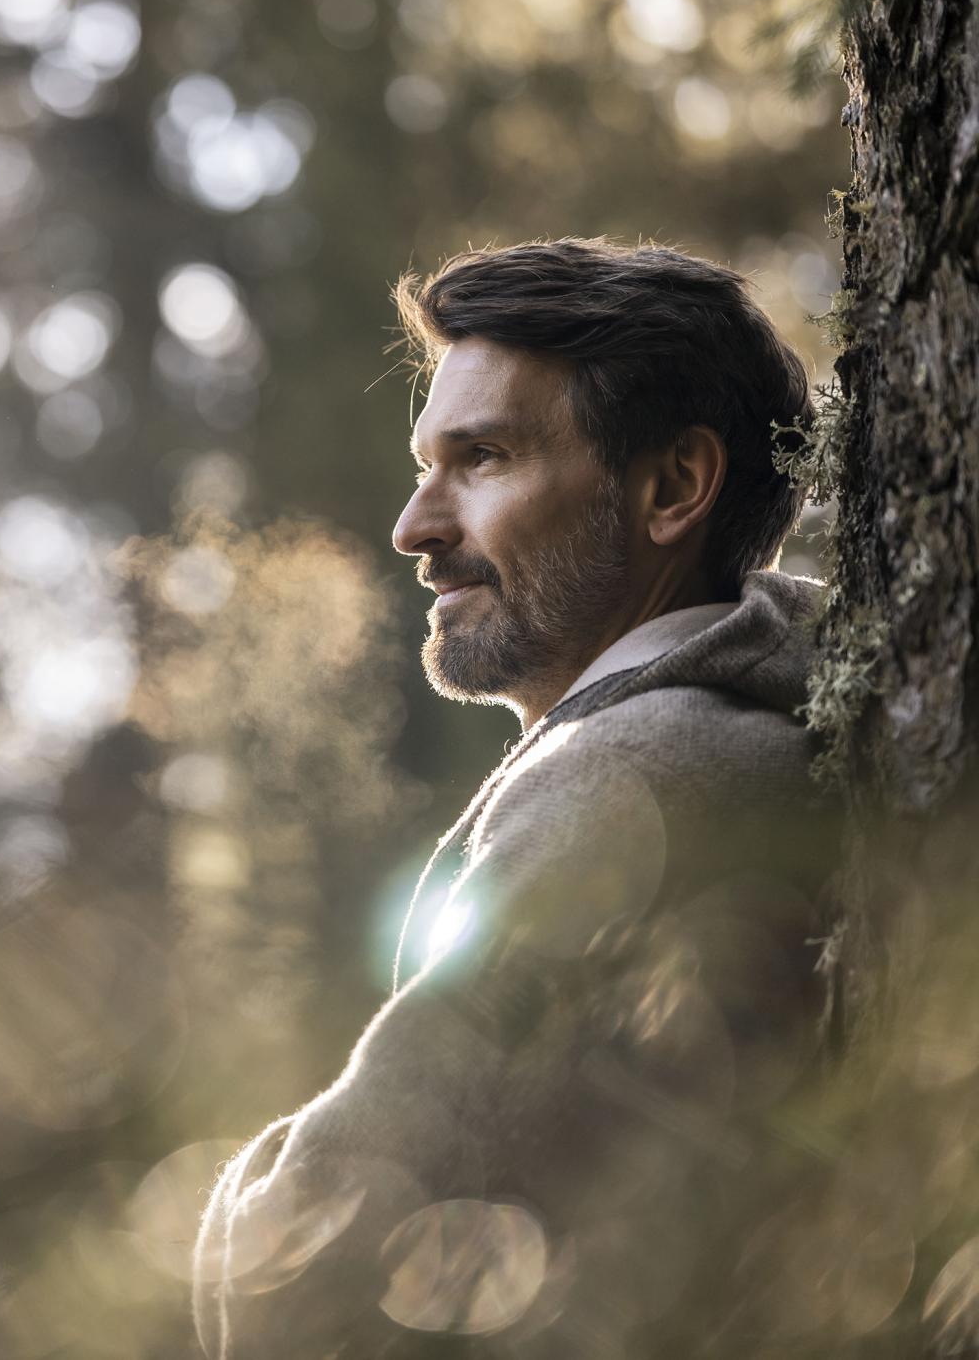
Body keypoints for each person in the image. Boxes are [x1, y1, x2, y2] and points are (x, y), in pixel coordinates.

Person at [192, 239, 847, 1357]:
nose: (415, 527)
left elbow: (307, 1278)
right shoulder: (716, 733)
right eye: (424, 465)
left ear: (673, 488)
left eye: (483, 458)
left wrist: (222, 1216)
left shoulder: (631, 778)